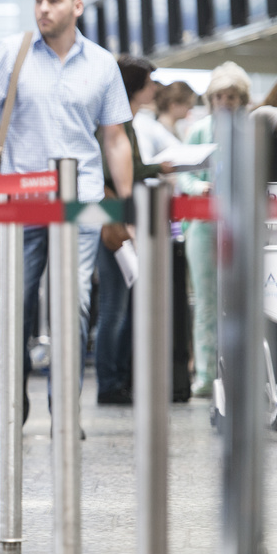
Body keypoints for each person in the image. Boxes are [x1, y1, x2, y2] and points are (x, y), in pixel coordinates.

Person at [0, 0, 134, 426]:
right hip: (22, 203)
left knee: (74, 303)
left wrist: (128, 205)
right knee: (16, 303)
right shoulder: (13, 53)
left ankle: (65, 409)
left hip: (82, 203)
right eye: (38, 0)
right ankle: (15, 398)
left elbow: (115, 139)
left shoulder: (101, 64)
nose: (43, 8)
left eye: (54, 1)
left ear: (76, 7)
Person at [95, 56, 168, 405]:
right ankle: (109, 382)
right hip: (112, 218)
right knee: (114, 305)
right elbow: (120, 169)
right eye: (150, 81)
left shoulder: (128, 122)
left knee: (121, 302)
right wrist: (159, 166)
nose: (154, 88)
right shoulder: (115, 122)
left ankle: (119, 378)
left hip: (122, 215)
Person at [179, 63, 250, 397]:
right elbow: (184, 175)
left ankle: (241, 374)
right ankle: (206, 375)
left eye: (231, 96)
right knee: (206, 303)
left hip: (240, 226)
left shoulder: (250, 131)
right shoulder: (199, 130)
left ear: (242, 98)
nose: (225, 101)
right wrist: (198, 189)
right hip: (203, 226)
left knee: (241, 301)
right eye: (219, 96)